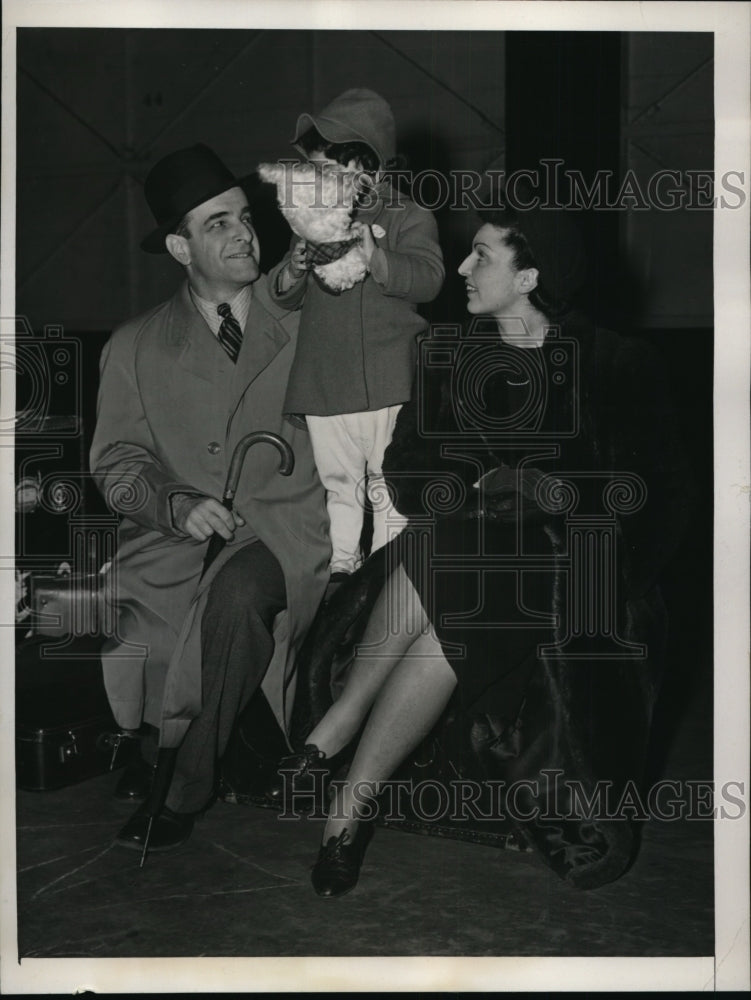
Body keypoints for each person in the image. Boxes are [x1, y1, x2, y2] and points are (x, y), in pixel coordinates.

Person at [271, 195, 691, 896]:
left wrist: (555, 506)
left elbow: (661, 497)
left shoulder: (617, 364)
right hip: (457, 560)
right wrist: (471, 490)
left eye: (482, 256)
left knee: (471, 564)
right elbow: (406, 473)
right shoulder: (450, 357)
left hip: (568, 575)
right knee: (455, 551)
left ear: (529, 279)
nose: (461, 267)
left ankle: (335, 744)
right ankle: (348, 805)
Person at [90, 144, 330, 852]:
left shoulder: (314, 320)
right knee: (139, 610)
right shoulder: (133, 347)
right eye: (217, 223)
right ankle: (144, 744)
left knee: (233, 600)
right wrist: (173, 503)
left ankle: (178, 787)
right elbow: (118, 461)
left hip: (288, 528)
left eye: (245, 217)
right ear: (178, 246)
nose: (244, 234)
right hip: (177, 535)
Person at [268, 88, 444, 591]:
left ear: (376, 173)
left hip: (390, 379)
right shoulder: (313, 223)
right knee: (339, 483)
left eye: (338, 173)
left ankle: (389, 565)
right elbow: (283, 296)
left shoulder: (409, 216)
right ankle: (344, 562)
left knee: (390, 482)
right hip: (326, 383)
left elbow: (430, 278)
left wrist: (378, 258)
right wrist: (294, 268)